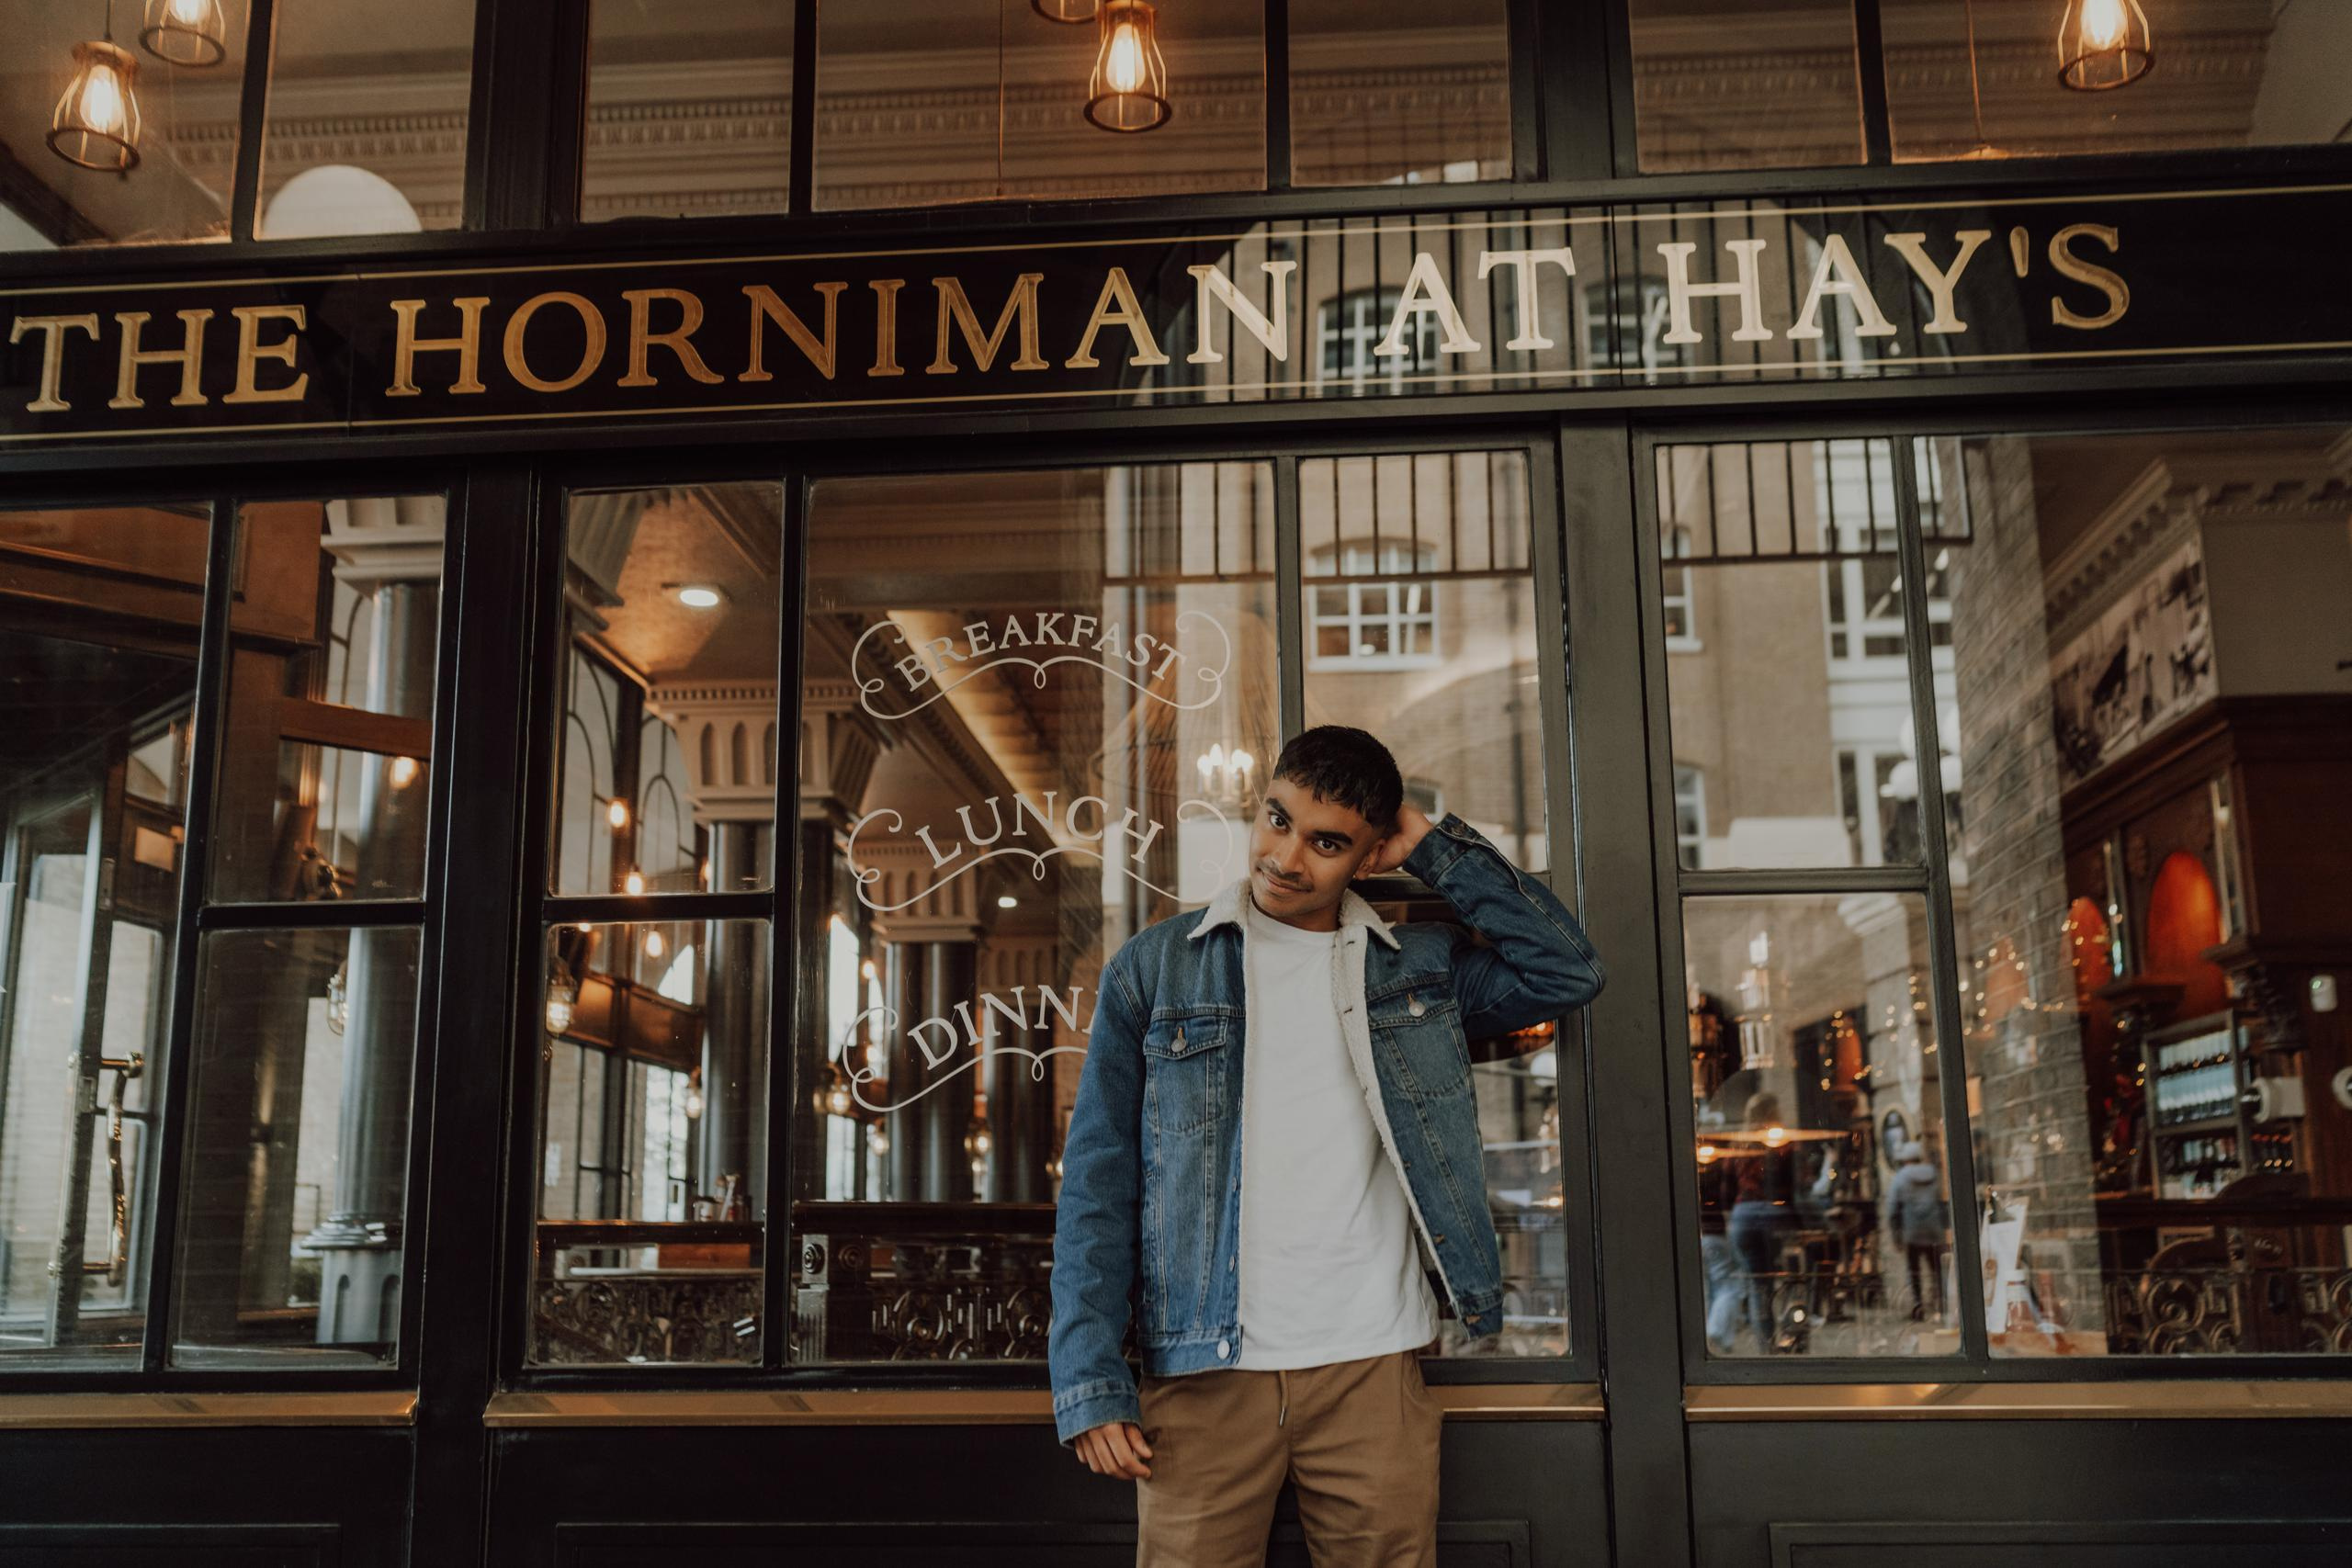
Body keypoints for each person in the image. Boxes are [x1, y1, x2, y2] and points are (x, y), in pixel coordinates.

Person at [1048, 725, 1607, 1568]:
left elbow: (1567, 972)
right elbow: (1098, 1182)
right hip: (1203, 1372)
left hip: (1370, 1368)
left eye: (1327, 842)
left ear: (1371, 854)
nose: (1285, 856)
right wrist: (1088, 1374)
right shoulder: (1157, 969)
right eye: (1277, 819)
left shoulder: (1416, 968)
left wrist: (1431, 846)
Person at [1726, 1091, 1799, 1353]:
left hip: (1742, 1216)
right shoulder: (1782, 1141)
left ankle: (1766, 1348)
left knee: (1759, 1287)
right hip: (1774, 1214)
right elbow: (1793, 1182)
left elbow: (1726, 1185)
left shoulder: (1740, 1143)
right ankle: (1793, 1337)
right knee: (1792, 1278)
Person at [1882, 1135, 1949, 1323]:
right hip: (1934, 1231)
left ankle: (1918, 1307)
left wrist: (1896, 1235)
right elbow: (1941, 1201)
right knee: (1937, 1270)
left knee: (1915, 1272)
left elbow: (1892, 1208)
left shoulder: (1901, 1178)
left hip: (1912, 1232)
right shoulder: (1934, 1174)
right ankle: (1942, 1305)